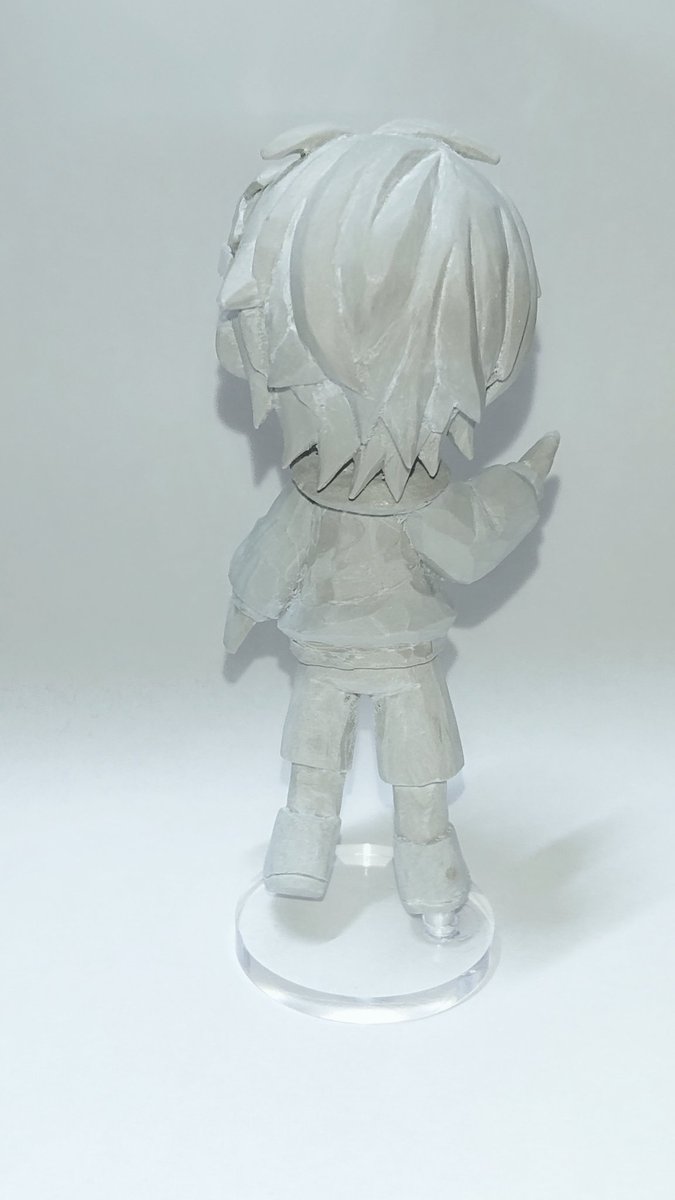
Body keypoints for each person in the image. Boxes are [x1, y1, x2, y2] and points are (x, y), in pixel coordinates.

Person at [218, 121, 558, 937]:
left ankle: (424, 854)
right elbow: (462, 540)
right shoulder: (321, 492)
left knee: (415, 764)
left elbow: (465, 539)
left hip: (399, 653)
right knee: (322, 753)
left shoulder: (397, 496)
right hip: (335, 647)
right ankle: (310, 837)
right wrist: (517, 486)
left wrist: (517, 485)